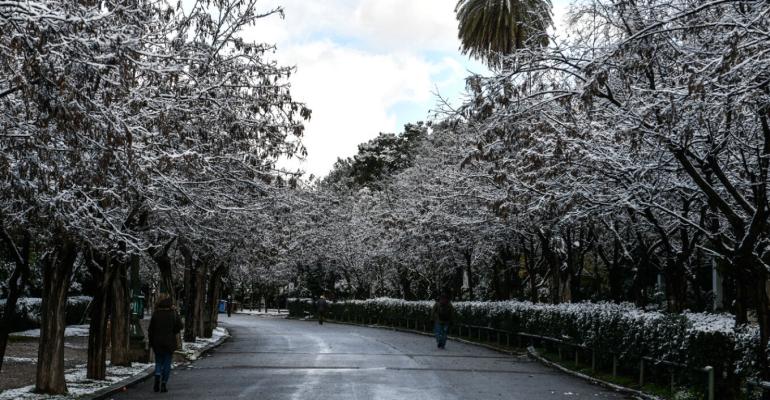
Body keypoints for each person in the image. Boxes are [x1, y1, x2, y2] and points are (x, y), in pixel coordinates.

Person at [148, 293, 183, 393]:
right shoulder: (173, 313)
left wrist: (151, 342)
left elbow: (151, 330)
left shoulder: (156, 313)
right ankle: (163, 383)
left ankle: (157, 377)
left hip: (157, 342)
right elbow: (180, 326)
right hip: (169, 342)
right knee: (167, 363)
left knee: (158, 361)